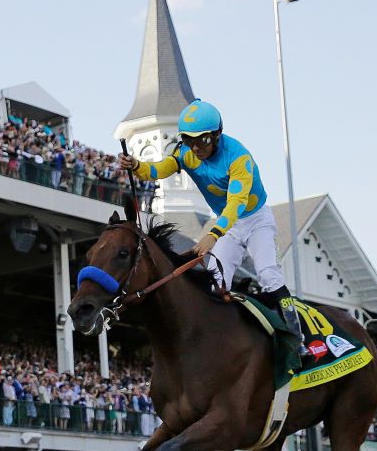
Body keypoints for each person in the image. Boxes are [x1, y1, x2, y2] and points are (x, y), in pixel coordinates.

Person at [119, 98, 307, 365]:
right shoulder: (185, 152)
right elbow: (158, 169)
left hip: (254, 220)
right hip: (226, 224)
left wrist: (213, 234)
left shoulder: (238, 158)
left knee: (267, 274)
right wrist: (136, 165)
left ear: (217, 135)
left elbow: (235, 205)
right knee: (217, 281)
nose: (196, 147)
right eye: (189, 140)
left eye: (202, 140)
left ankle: (296, 340)